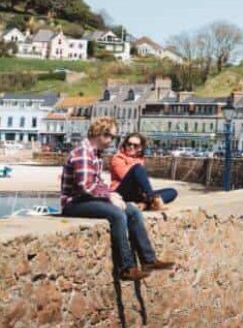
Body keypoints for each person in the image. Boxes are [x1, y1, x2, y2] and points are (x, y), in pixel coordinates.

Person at [60, 117, 175, 282]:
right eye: (111, 137)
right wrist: (109, 196)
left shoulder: (95, 154)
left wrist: (110, 194)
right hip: (74, 203)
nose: (112, 141)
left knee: (133, 210)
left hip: (88, 199)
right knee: (118, 215)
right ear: (100, 134)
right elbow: (85, 186)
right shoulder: (83, 153)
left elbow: (96, 183)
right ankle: (126, 267)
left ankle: (148, 260)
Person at [110, 134, 177, 211]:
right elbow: (125, 175)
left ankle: (144, 204)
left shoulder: (139, 159)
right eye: (129, 144)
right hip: (121, 192)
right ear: (125, 144)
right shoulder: (118, 158)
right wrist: (136, 165)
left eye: (135, 145)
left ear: (140, 148)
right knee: (138, 168)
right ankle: (151, 200)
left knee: (172, 192)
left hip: (137, 194)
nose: (131, 147)